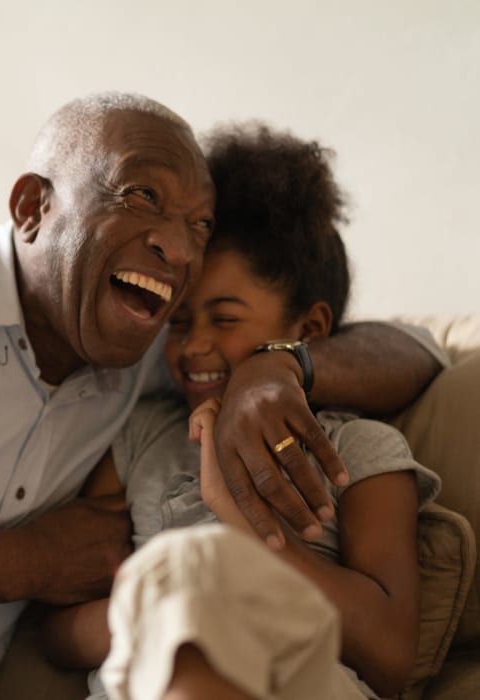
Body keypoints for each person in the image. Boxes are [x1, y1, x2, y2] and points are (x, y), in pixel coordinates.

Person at [0, 93, 442, 699]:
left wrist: (278, 367)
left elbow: (424, 349)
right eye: (142, 195)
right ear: (32, 208)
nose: (179, 249)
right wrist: (27, 562)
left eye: (200, 224)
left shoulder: (154, 342)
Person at [39, 123, 442, 700]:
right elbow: (55, 632)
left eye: (225, 319)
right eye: (178, 321)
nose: (194, 345)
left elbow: (389, 656)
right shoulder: (140, 434)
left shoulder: (357, 447)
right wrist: (170, 603)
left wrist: (242, 521)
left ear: (309, 330)